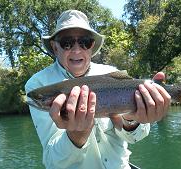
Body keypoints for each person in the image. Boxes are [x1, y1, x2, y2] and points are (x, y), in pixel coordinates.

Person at [25, 10, 171, 169]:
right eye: (67, 42)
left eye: (84, 42)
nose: (76, 50)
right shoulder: (38, 84)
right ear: (54, 47)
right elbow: (53, 160)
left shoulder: (112, 73)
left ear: (92, 45)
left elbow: (134, 138)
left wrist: (131, 120)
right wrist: (76, 135)